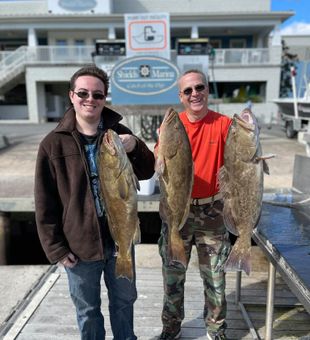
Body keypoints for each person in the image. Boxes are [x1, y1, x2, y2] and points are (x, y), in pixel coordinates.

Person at [34, 65, 155, 340]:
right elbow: (45, 203)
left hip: (120, 240)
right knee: (88, 310)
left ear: (105, 98)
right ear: (71, 96)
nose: (90, 99)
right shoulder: (52, 144)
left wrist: (136, 146)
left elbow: (148, 171)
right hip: (79, 245)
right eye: (83, 93)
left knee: (124, 303)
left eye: (98, 95)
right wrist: (56, 249)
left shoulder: (118, 132)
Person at [157, 69, 232, 340]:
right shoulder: (171, 125)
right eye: (188, 91)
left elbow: (240, 160)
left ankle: (216, 329)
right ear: (181, 96)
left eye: (199, 87)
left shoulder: (224, 124)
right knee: (173, 275)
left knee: (215, 277)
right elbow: (160, 162)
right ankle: (171, 327)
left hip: (213, 211)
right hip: (178, 210)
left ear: (207, 90)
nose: (194, 94)